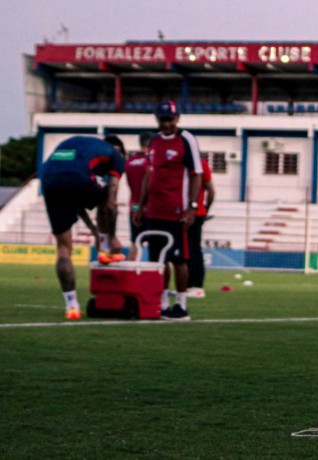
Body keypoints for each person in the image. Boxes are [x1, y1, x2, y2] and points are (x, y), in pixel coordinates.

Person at [41, 135, 126, 320]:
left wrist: (95, 232)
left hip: (48, 179)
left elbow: (77, 204)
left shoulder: (86, 147)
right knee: (106, 196)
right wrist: (111, 237)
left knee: (63, 250)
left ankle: (71, 306)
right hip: (76, 176)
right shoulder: (116, 157)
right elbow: (110, 204)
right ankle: (105, 249)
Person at [133, 101, 203, 321]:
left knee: (179, 259)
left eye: (170, 119)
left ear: (177, 119)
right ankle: (162, 303)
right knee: (158, 261)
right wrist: (140, 205)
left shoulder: (186, 139)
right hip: (154, 210)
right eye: (163, 119)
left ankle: (181, 305)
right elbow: (149, 175)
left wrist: (191, 207)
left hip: (176, 211)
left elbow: (196, 174)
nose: (167, 124)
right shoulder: (153, 141)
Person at [187, 157, 215, 298]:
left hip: (187, 212)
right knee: (193, 250)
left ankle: (195, 286)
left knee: (190, 250)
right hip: (197, 213)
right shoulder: (200, 162)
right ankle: (192, 286)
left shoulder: (196, 162)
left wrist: (203, 211)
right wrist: (205, 210)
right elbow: (211, 192)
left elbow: (211, 191)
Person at [123, 131, 154, 260]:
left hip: (134, 208)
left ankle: (131, 277)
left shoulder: (130, 161)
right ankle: (156, 276)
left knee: (135, 243)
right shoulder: (150, 161)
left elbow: (130, 183)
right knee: (155, 245)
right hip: (150, 209)